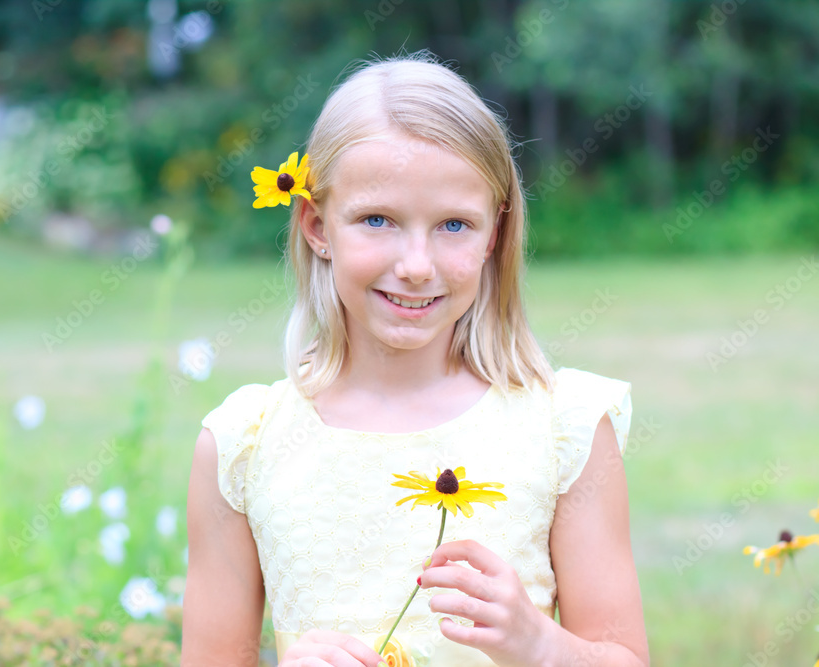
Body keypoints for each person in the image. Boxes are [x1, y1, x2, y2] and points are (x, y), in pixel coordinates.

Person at [182, 53, 649, 667]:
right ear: (317, 225)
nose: (417, 265)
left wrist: (538, 644)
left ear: (495, 237)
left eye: (454, 225)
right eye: (378, 219)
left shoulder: (564, 427)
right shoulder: (245, 444)